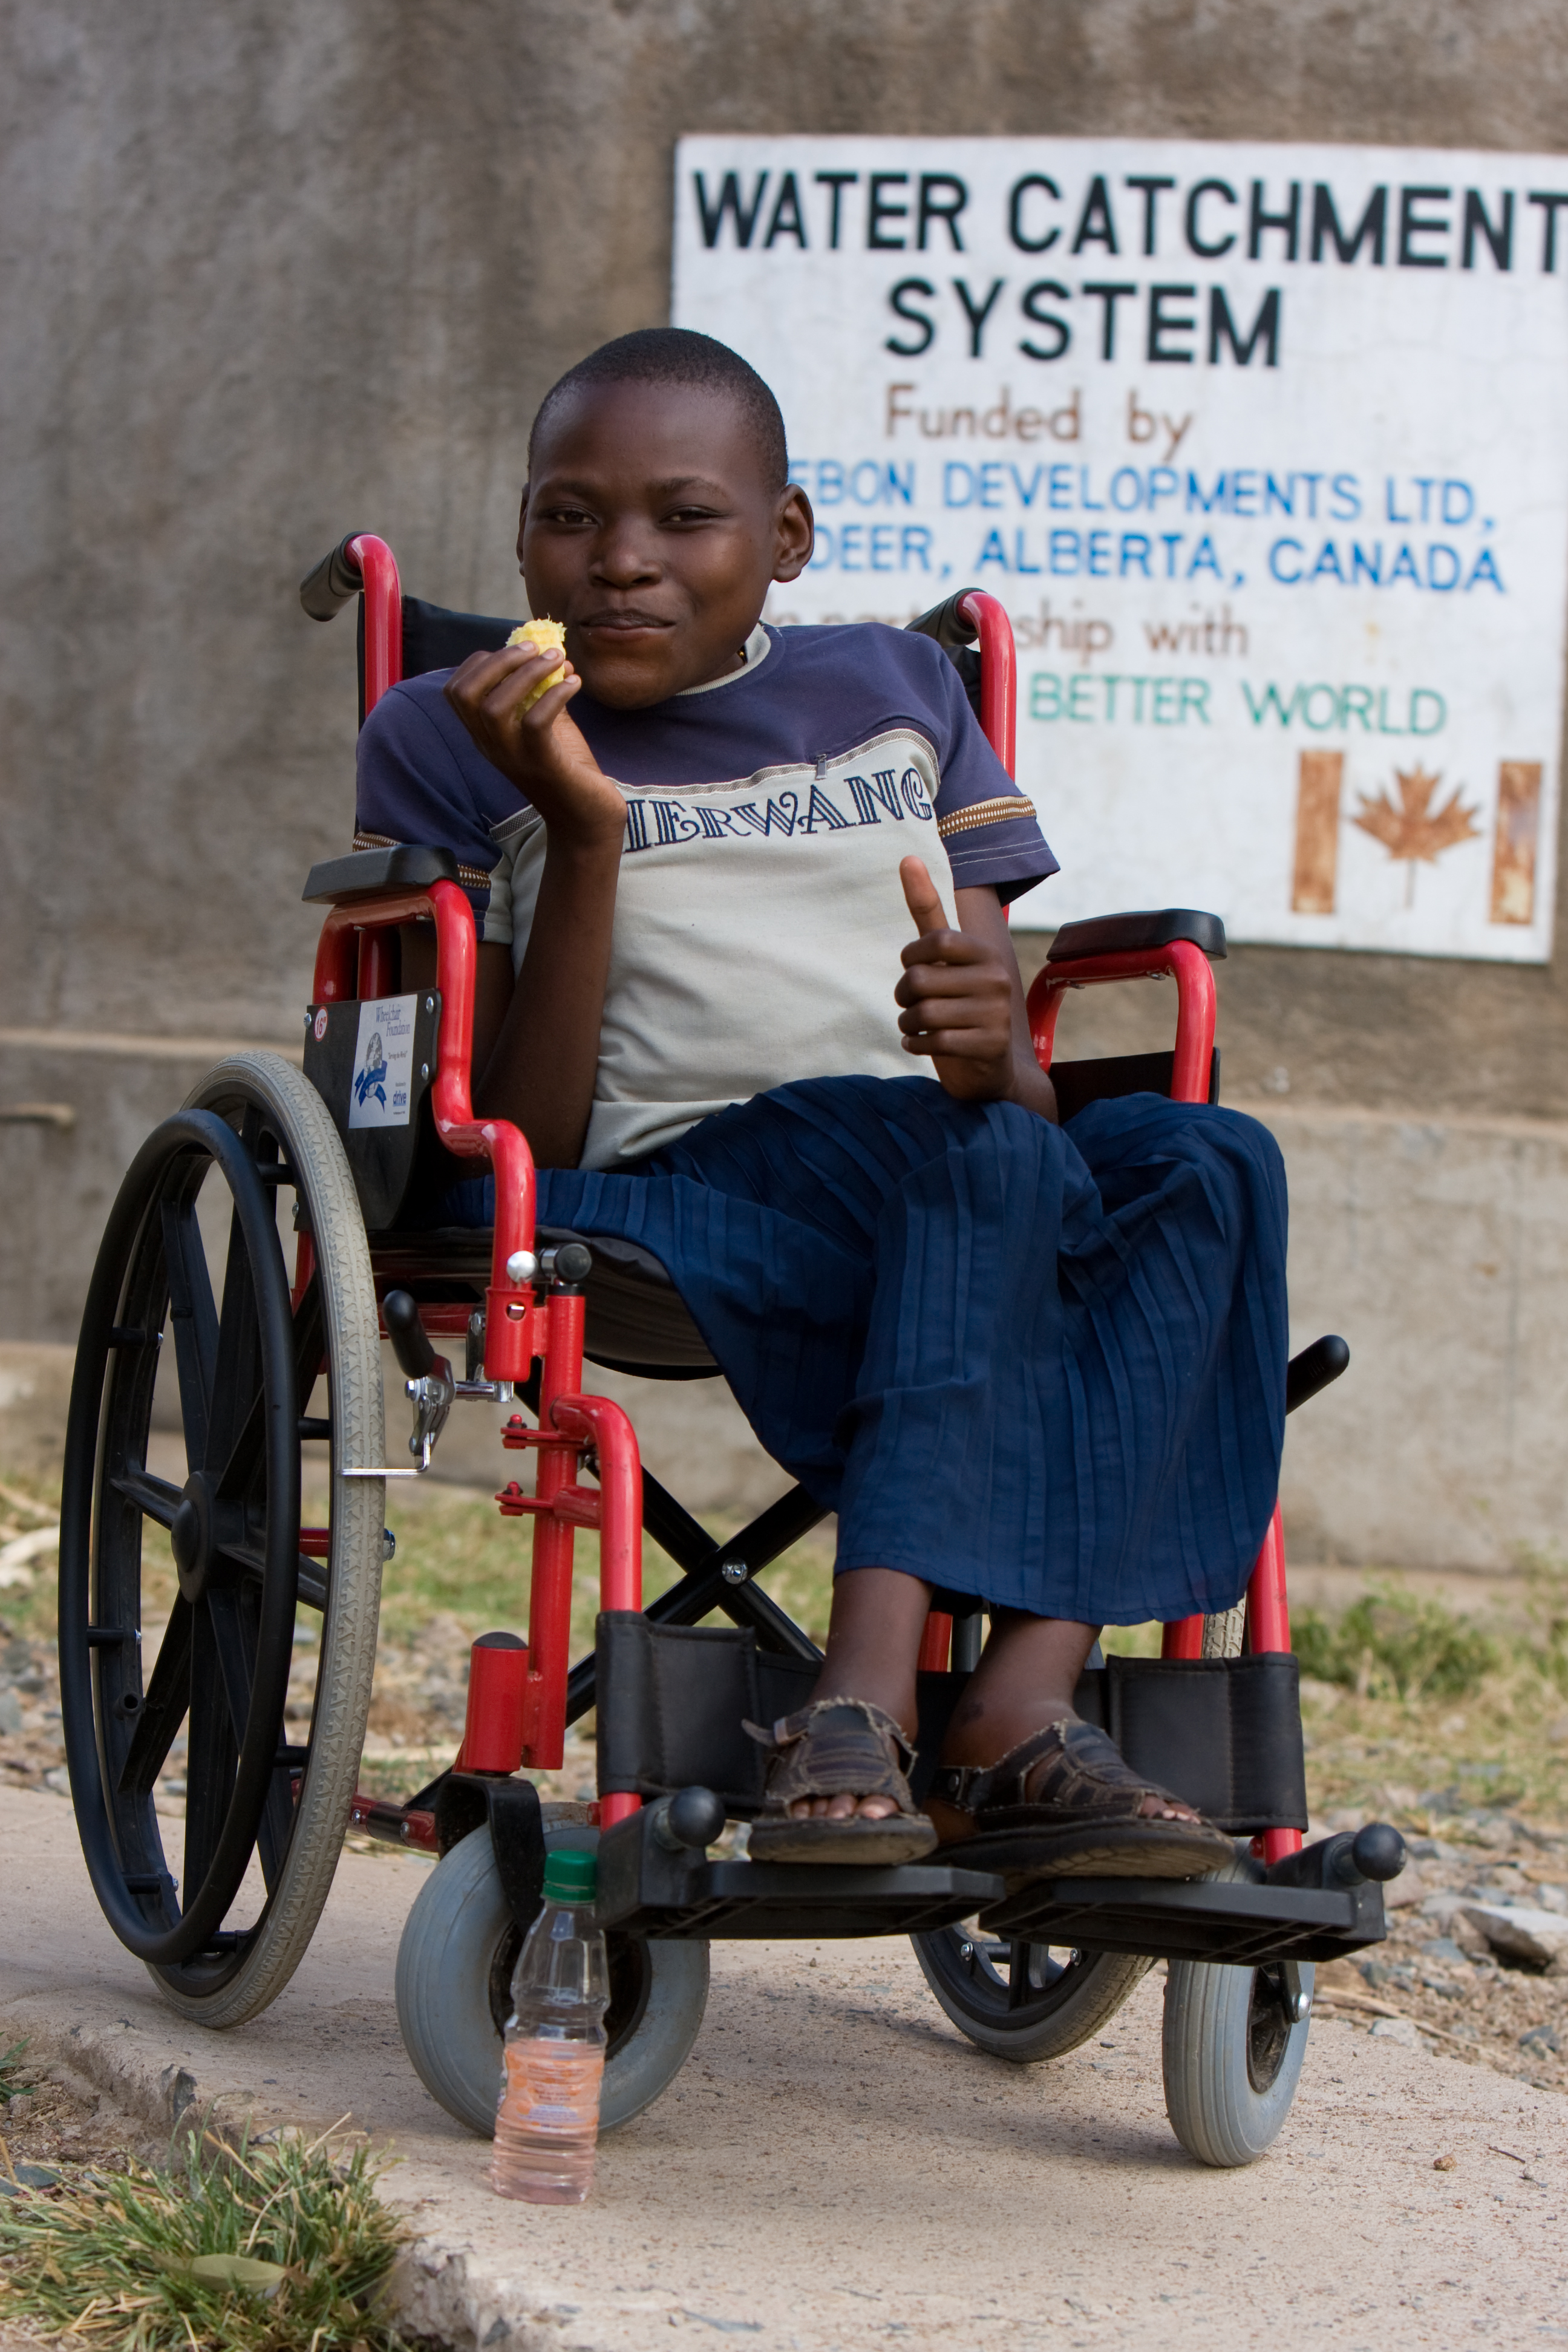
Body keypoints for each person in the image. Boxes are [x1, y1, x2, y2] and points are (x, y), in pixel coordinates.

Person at [354, 328, 1287, 1881]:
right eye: (569, 516)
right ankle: (861, 1696)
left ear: (785, 539)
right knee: (967, 1153)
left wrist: (997, 1057)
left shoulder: (900, 686)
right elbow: (524, 1135)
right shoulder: (462, 730)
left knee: (1209, 1157)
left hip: (950, 1172)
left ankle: (1022, 1701)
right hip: (659, 1191)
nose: (621, 564)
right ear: (522, 533)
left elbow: (1008, 1084)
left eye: (683, 516)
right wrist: (585, 835)